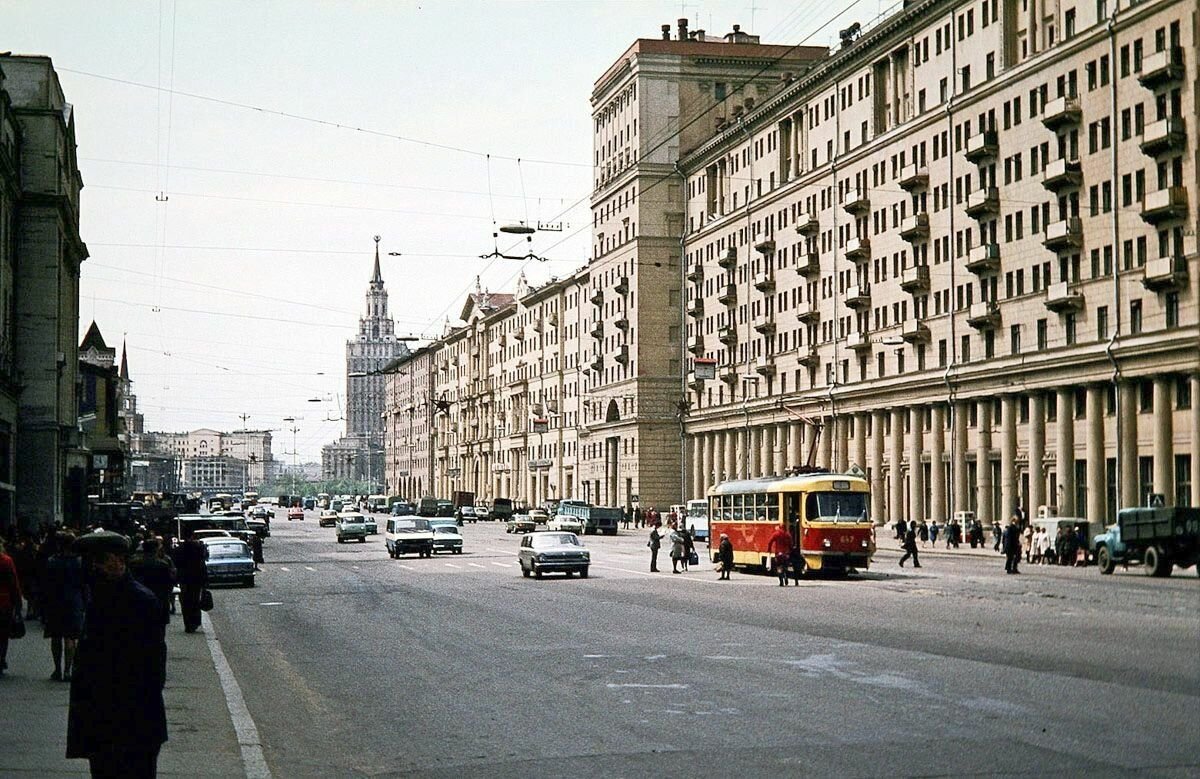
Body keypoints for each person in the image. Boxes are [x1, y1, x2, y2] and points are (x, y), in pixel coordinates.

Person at [67, 531, 168, 778]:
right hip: (103, 721)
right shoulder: (101, 598)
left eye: (99, 561)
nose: (93, 568)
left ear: (118, 561)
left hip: (130, 722)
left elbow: (152, 669)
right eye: (90, 562)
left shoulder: (139, 602)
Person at [41, 532, 85, 682]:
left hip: (55, 601)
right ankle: (68, 670)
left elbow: (46, 583)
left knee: (56, 636)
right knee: (70, 637)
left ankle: (57, 669)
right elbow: (84, 584)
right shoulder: (79, 562)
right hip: (73, 601)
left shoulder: (52, 561)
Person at [173, 530, 208, 633]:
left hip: (184, 578)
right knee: (195, 599)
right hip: (196, 577)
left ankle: (188, 623)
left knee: (185, 601)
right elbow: (202, 563)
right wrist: (205, 579)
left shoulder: (179, 549)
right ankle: (194, 621)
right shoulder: (198, 548)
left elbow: (176, 563)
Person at [0, 537, 22, 677]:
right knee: (2, 634)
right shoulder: (6, 561)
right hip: (4, 602)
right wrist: (18, 601)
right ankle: (1, 659)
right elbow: (13, 582)